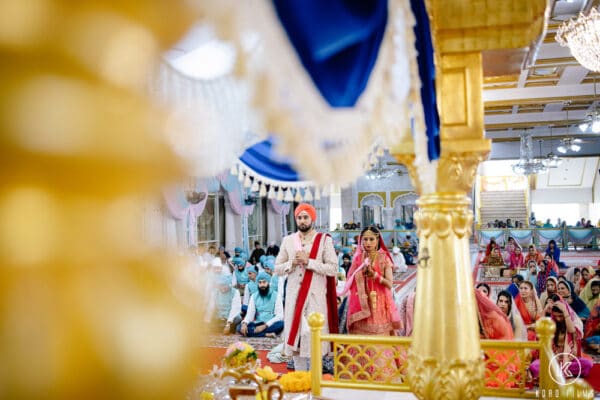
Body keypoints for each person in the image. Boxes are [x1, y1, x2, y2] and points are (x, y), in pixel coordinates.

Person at [274, 203, 338, 371]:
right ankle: (300, 378)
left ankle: (315, 382)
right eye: (299, 218)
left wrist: (308, 262)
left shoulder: (324, 240)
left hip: (315, 298)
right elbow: (277, 268)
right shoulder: (288, 241)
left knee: (314, 339)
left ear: (312, 218)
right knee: (296, 341)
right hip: (294, 298)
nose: (302, 221)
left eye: (305, 217)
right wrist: (293, 262)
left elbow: (333, 268)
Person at [338, 225, 401, 380]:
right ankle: (359, 374)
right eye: (364, 239)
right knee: (360, 339)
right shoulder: (358, 258)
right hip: (361, 307)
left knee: (378, 338)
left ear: (377, 240)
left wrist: (375, 276)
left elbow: (389, 284)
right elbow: (349, 279)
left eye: (371, 239)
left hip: (379, 306)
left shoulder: (384, 258)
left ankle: (383, 375)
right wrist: (360, 275)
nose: (367, 242)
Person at [529, 299, 593, 380]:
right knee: (534, 366)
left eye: (560, 316)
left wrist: (565, 312)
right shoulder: (551, 324)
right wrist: (545, 309)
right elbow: (539, 326)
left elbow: (571, 330)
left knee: (587, 364)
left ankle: (554, 373)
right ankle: (561, 372)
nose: (558, 319)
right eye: (555, 316)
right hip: (552, 359)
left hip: (568, 360)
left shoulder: (571, 326)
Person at [239, 272, 284, 338]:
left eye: (264, 282)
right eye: (260, 282)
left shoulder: (276, 296)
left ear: (268, 282)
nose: (262, 285)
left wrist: (265, 325)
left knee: (282, 324)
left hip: (270, 324)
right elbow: (250, 314)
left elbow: (279, 315)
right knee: (239, 327)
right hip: (258, 323)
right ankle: (266, 334)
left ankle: (256, 333)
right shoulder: (254, 296)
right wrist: (244, 323)